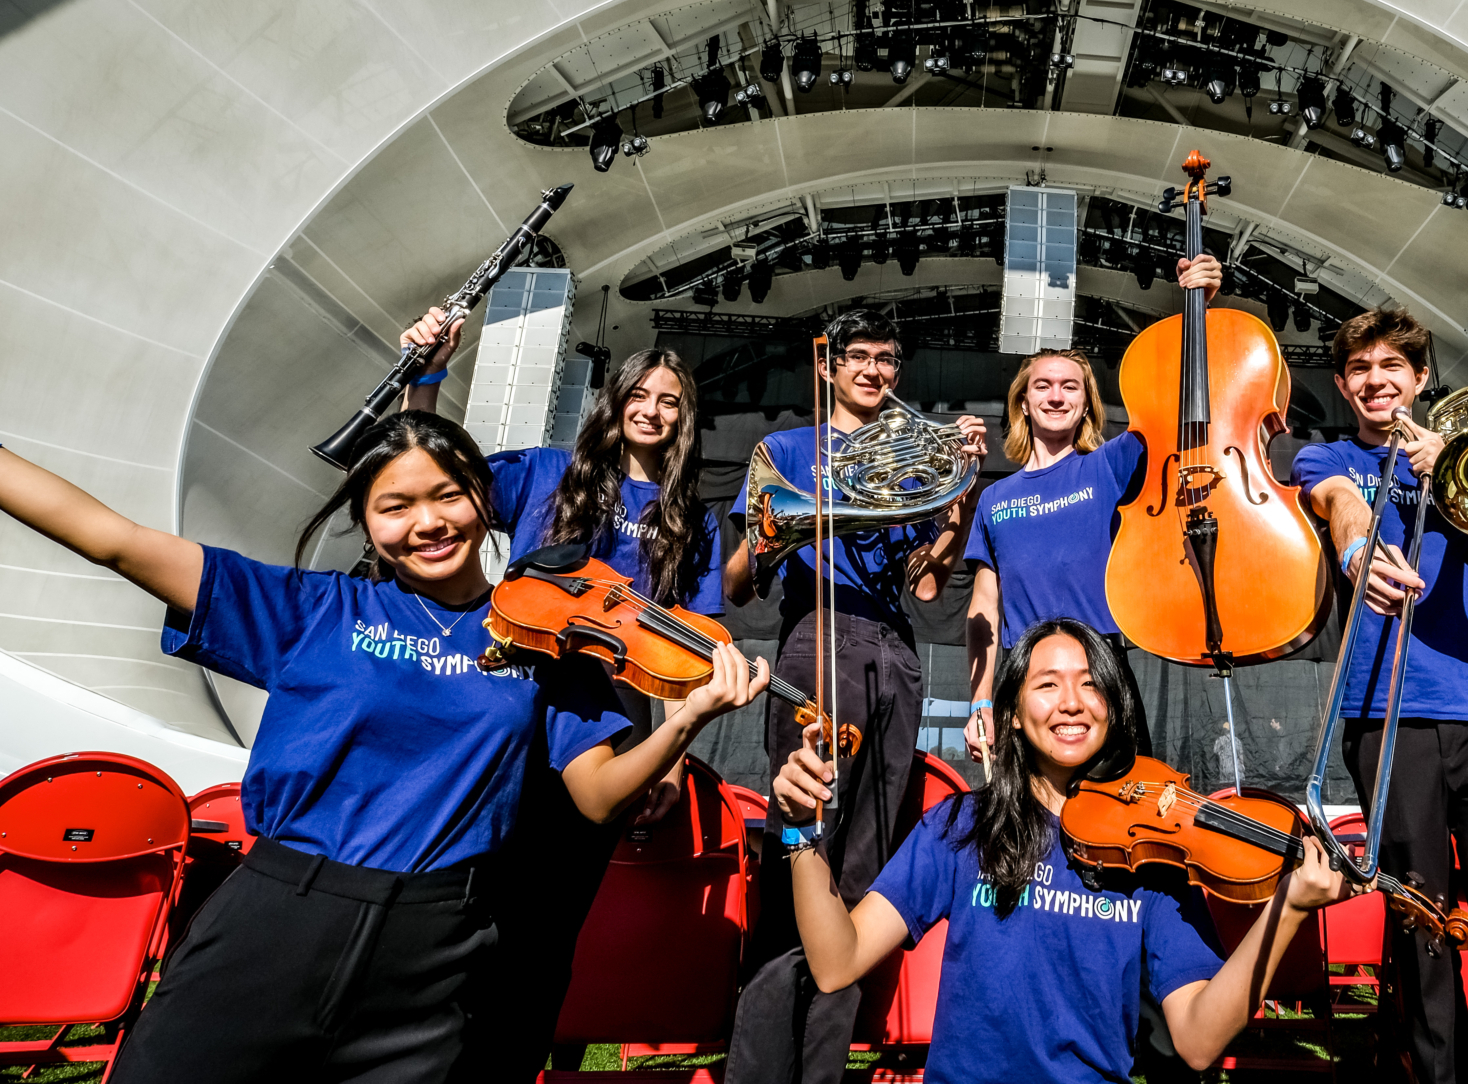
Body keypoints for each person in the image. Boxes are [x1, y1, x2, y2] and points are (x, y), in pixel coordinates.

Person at [0, 412, 768, 1084]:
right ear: (366, 522)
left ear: (483, 497)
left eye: (446, 496)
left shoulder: (543, 640)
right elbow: (111, 540)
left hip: (434, 954)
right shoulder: (313, 609)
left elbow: (598, 794)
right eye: (395, 506)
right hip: (273, 927)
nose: (427, 522)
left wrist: (683, 720)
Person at [770, 618, 1352, 1084]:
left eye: (1091, 682)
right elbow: (835, 963)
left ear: (1113, 707)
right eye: (1047, 684)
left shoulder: (1153, 855)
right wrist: (800, 834)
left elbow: (1198, 1043)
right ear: (1014, 716)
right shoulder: (960, 824)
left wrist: (1290, 907)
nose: (1072, 701)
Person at [400, 317, 723, 1078]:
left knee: (548, 931)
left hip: (604, 729)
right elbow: (433, 472)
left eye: (669, 400)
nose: (652, 409)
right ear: (614, 401)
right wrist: (427, 377)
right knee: (455, 904)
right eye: (639, 393)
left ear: (683, 417)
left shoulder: (691, 518)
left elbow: (692, 645)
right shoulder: (548, 468)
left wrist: (672, 762)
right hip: (503, 706)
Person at [1289, 307, 1468, 1084]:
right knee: (1420, 926)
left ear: (1418, 380)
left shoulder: (1466, 457)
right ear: (1344, 385)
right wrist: (1355, 548)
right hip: (1387, 715)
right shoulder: (1327, 454)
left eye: (1392, 368)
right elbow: (1339, 502)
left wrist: (1451, 479)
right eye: (1361, 369)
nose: (1377, 380)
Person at [722, 308, 986, 1084]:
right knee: (802, 848)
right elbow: (739, 581)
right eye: (860, 358)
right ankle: (759, 1069)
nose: (876, 371)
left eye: (889, 360)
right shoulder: (789, 449)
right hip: (818, 634)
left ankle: (821, 1070)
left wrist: (960, 494)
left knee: (862, 873)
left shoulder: (916, 460)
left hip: (894, 649)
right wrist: (785, 529)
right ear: (830, 367)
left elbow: (930, 579)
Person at [961, 254, 1222, 762]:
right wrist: (981, 700)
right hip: (1025, 676)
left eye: (1070, 387)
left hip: (1102, 666)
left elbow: (1175, 398)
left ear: (1086, 403)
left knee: (1118, 821)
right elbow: (982, 608)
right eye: (1043, 385)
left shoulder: (1109, 465)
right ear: (1023, 402)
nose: (1056, 396)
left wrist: (1198, 312)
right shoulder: (995, 498)